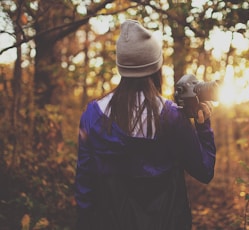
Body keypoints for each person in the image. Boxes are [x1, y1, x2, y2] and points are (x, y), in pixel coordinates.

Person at [75, 19, 216, 230]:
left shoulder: (92, 115)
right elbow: (204, 171)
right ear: (156, 67)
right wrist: (203, 126)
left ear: (121, 67)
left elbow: (85, 185)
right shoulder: (171, 116)